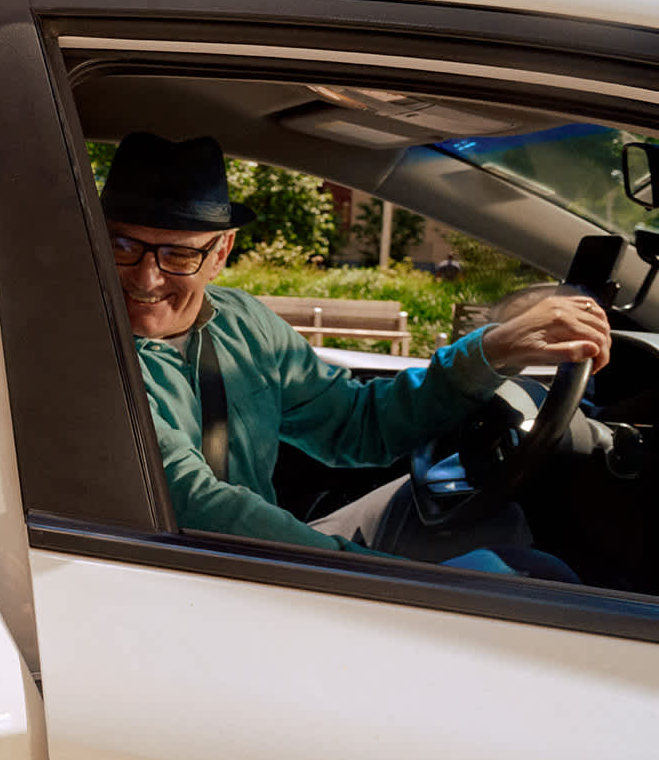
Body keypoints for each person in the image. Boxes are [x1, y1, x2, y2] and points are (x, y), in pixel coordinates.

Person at [102, 131, 612, 558]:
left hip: (257, 553)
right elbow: (200, 509)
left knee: (495, 541)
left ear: (221, 252)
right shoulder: (86, 347)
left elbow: (358, 425)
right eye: (124, 246)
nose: (147, 278)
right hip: (192, 572)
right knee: (515, 580)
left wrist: (493, 351)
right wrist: (385, 581)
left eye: (177, 254)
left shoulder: (244, 323)